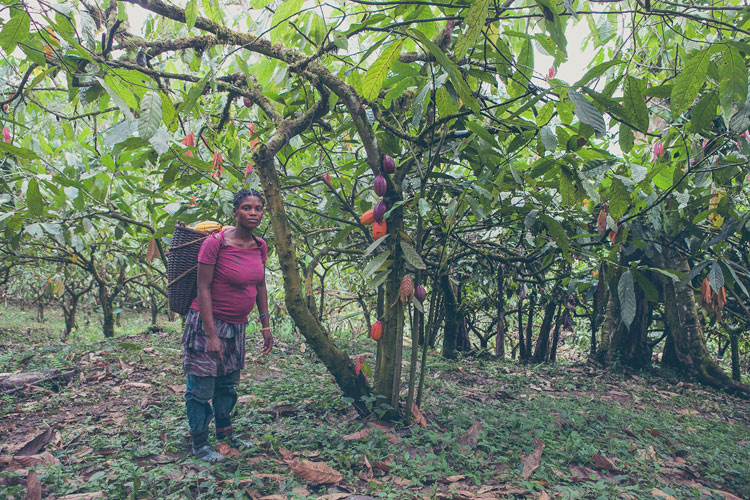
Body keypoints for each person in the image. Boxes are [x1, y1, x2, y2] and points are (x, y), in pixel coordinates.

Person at [181, 188, 273, 463]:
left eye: (258, 208)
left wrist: (265, 325)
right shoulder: (215, 243)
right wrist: (211, 335)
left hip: (237, 327)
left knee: (227, 386)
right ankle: (200, 445)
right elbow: (204, 288)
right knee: (201, 388)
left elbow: (260, 284)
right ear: (235, 212)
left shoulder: (260, 246)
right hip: (206, 323)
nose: (253, 213)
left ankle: (224, 434)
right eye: (247, 208)